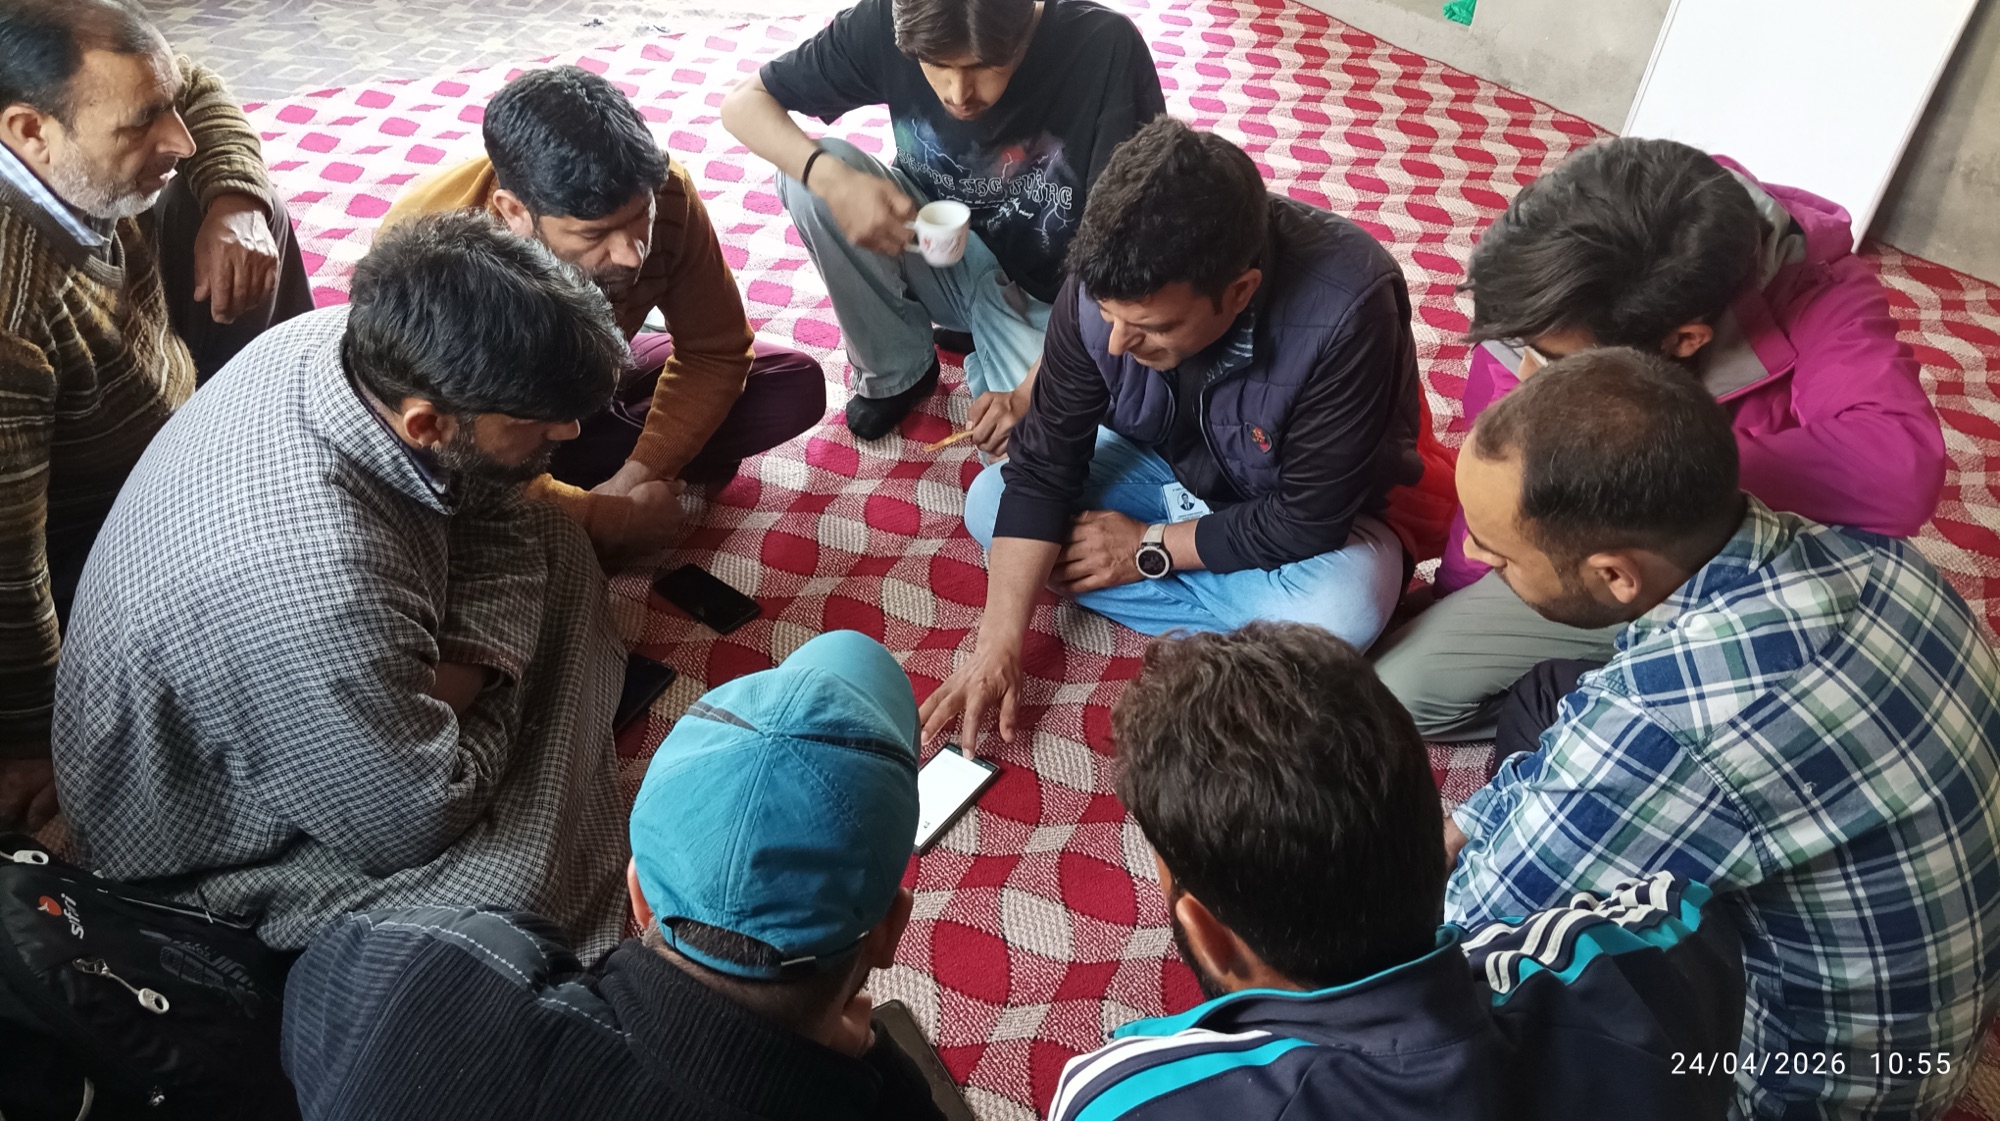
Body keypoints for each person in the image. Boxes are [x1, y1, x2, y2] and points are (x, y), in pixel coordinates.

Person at [53, 212, 634, 959]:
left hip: (332, 685)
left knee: (557, 537)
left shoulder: (350, 341)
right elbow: (413, 821)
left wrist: (469, 661)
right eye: (544, 422)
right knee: (513, 898)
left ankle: (508, 711)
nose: (570, 437)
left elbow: (497, 508)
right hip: (204, 847)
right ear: (426, 424)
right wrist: (485, 677)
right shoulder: (316, 581)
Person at [1443, 348, 2000, 1120]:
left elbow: (1466, 932)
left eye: (1497, 553)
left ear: (1615, 575)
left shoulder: (1664, 720)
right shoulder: (1878, 556)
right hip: (1926, 1023)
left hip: (1785, 1089)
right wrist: (1470, 820)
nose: (1471, 554)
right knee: (1548, 701)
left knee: (1462, 1005)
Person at [1373, 136, 1948, 741]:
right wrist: (1462, 590)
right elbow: (1504, 475)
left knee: (1705, 735)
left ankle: (1638, 707)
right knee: (1397, 700)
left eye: (1551, 361)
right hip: (1589, 550)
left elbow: (1899, 472)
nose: (1523, 378)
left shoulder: (1818, 289)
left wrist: (1647, 470)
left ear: (1684, 341)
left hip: (1737, 566)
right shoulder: (1544, 296)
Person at [1049, 622, 1744, 1121]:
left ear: (1208, 932)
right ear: (1429, 830)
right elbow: (1687, 911)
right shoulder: (1655, 953)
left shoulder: (1124, 1095)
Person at [921, 118, 1454, 751]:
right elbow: (1042, 467)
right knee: (990, 502)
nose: (1118, 342)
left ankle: (1226, 613)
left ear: (1239, 292)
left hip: (1299, 517)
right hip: (1166, 471)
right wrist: (998, 643)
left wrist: (1147, 550)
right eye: (1110, 318)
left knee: (1345, 610)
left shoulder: (1348, 307)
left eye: (1149, 326)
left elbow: (1309, 517)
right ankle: (1265, 645)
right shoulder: (1100, 288)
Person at [281, 631, 945, 1121]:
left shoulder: (438, 966)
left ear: (637, 896)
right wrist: (870, 1063)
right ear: (890, 930)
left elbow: (305, 1000)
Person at [0, 0, 314, 832]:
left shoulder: (69, 131)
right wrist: (38, 736)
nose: (176, 136)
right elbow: (9, 563)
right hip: (79, 534)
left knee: (254, 210)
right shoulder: (10, 313)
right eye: (143, 123)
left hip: (151, 392)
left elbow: (199, 87)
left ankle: (277, 427)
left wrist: (237, 196)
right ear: (30, 132)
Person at [382, 65, 826, 550]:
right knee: (454, 494)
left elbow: (716, 351)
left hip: (598, 380)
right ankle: (558, 505)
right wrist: (608, 520)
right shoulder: (430, 259)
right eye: (594, 235)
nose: (631, 253)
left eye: (641, 218)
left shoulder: (663, 189)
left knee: (792, 383)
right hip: (501, 432)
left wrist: (639, 473)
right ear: (514, 212)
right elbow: (448, 444)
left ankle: (574, 490)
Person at [721, 0, 1165, 440]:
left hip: (1056, 297)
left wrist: (1033, 386)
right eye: (934, 64)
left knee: (1050, 451)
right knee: (808, 177)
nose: (958, 93)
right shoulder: (888, 17)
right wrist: (832, 179)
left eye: (984, 66)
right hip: (938, 255)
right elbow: (743, 103)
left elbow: (1124, 249)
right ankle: (899, 369)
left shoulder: (1103, 47)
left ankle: (989, 337)